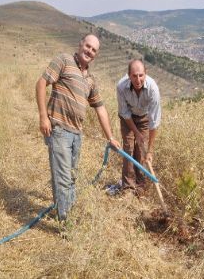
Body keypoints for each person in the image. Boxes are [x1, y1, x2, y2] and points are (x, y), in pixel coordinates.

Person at [36, 34, 120, 221]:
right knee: (63, 178)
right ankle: (67, 223)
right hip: (59, 129)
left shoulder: (90, 79)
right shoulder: (64, 60)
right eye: (88, 46)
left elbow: (100, 108)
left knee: (71, 177)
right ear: (80, 44)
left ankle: (67, 212)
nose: (89, 51)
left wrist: (110, 137)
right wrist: (43, 117)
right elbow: (41, 83)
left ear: (96, 55)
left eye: (94, 50)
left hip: (76, 134)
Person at [117, 59, 161, 195]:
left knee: (141, 151)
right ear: (129, 75)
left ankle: (140, 185)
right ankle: (128, 187)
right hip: (127, 118)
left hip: (144, 117)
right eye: (134, 76)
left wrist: (150, 151)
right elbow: (124, 112)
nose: (138, 80)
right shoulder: (121, 86)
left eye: (141, 75)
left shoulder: (153, 89)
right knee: (129, 148)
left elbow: (154, 121)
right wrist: (135, 132)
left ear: (145, 74)